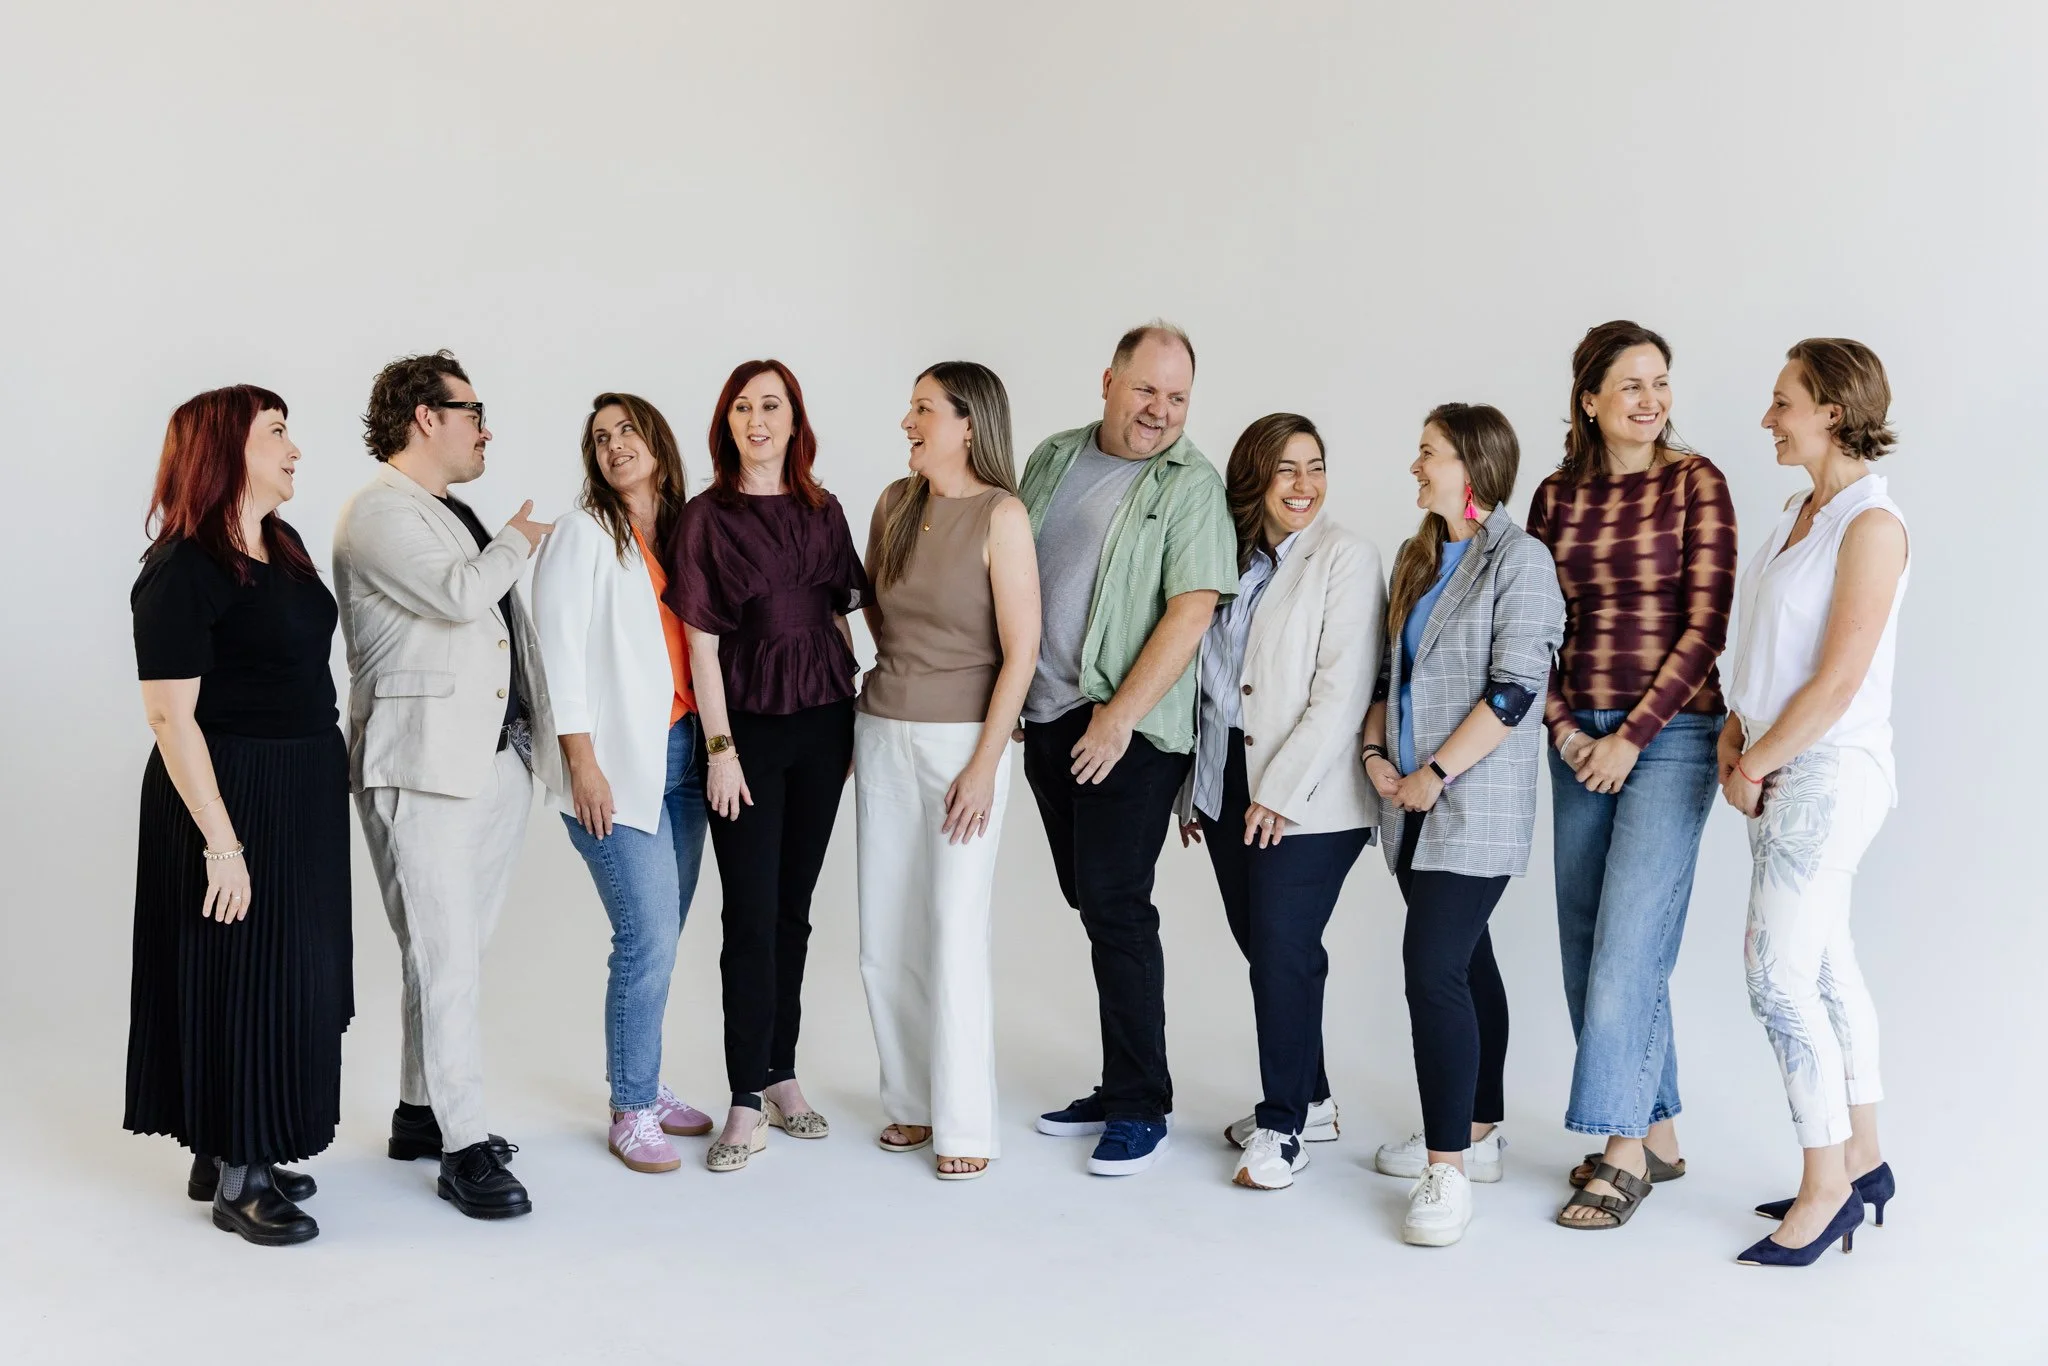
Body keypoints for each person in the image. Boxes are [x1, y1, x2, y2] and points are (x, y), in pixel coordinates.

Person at [127, 385, 353, 1246]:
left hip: (300, 783)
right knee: (244, 977)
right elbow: (168, 717)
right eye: (278, 432)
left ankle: (230, 1141)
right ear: (227, 450)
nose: (296, 448)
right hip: (229, 791)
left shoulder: (282, 545)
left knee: (295, 973)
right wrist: (223, 844)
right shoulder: (182, 568)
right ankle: (240, 1177)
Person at [1526, 322, 1738, 1230]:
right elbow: (1535, 624)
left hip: (1676, 734)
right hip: (1578, 738)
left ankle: (1621, 1148)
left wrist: (1631, 737)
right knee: (1585, 936)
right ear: (1589, 400)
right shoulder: (1554, 496)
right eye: (1631, 386)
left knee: (1631, 942)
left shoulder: (1698, 484)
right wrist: (1570, 727)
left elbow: (1707, 625)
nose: (1652, 400)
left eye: (1661, 383)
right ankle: (1661, 1132)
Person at [334, 350, 554, 1220]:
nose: (485, 427)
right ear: (426, 416)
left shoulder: (444, 509)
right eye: (473, 410)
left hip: (490, 763)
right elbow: (463, 596)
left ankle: (420, 1112)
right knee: (446, 956)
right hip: (421, 767)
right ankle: (465, 1148)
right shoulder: (377, 513)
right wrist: (515, 541)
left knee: (453, 955)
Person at [1021, 322, 1238, 1178]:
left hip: (1129, 727)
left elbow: (1192, 611)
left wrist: (1117, 718)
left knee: (1116, 903)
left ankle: (1143, 1101)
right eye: (1147, 390)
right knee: (1090, 898)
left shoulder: (1191, 484)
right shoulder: (1052, 457)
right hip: (1045, 717)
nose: (1160, 411)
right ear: (1109, 380)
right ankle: (1119, 1085)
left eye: (1178, 398)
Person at [1361, 403, 1564, 1246]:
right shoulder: (1421, 558)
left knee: (1431, 970)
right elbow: (1388, 682)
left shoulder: (1521, 561)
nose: (1416, 467)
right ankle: (1479, 1135)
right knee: (1468, 964)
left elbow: (1515, 691)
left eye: (1429, 454)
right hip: (1406, 805)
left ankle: (1447, 1171)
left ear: (1471, 466)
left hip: (1469, 803)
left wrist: (1435, 772)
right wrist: (1380, 762)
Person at [1724, 339, 1907, 1267]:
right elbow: (1764, 649)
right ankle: (1863, 1160)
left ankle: (1826, 1186)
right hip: (1779, 760)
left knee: (1774, 977)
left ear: (1832, 410)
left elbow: (1837, 683)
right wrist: (1733, 728)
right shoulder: (1801, 513)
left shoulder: (1870, 526)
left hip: (1827, 771)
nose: (1769, 418)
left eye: (1782, 401)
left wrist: (1755, 762)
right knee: (1824, 963)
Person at [666, 359, 867, 1173]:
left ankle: (783, 1076)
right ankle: (744, 1096)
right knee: (748, 916)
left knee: (793, 911)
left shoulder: (826, 511)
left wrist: (854, 727)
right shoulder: (705, 518)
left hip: (824, 723)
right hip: (744, 731)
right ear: (728, 422)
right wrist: (719, 750)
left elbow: (842, 619)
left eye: (772, 406)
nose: (758, 419)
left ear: (795, 421)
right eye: (744, 407)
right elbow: (701, 646)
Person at [1175, 414, 1385, 1191]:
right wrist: (1198, 789)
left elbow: (1341, 688)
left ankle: (1282, 1124)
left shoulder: (1346, 557)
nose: (1304, 485)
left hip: (1310, 794)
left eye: (1316, 467)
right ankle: (1316, 1096)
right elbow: (1211, 682)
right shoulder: (1231, 559)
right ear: (1254, 479)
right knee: (1267, 945)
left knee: (1283, 948)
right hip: (1228, 774)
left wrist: (1281, 793)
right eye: (1287, 470)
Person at [856, 362, 1040, 1180]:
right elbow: (870, 617)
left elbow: (1023, 651)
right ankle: (909, 1102)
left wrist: (984, 763)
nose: (908, 421)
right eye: (910, 408)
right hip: (881, 733)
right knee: (882, 934)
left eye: (923, 409)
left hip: (963, 745)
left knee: (953, 931)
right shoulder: (894, 506)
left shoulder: (1003, 516)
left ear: (969, 424)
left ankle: (963, 1124)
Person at [532, 393, 715, 1175]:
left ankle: (646, 1077)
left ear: (658, 441)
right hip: (615, 768)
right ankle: (630, 1107)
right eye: (600, 439)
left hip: (688, 758)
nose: (613, 447)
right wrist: (582, 762)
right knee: (645, 938)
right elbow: (556, 651)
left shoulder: (691, 532)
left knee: (664, 938)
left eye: (627, 430)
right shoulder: (583, 535)